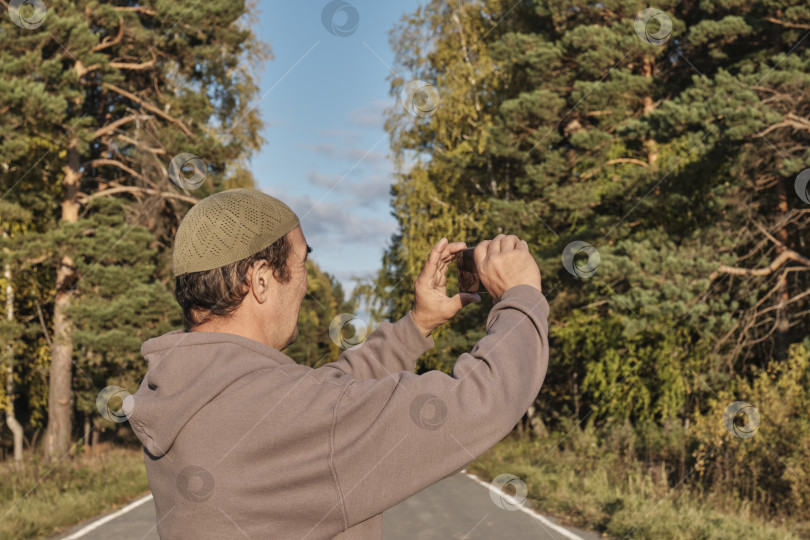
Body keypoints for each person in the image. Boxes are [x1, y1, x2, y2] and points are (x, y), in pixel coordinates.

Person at [123, 188, 550, 539]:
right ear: (260, 280)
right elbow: (481, 402)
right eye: (303, 261)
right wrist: (521, 295)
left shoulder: (177, 392)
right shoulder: (295, 414)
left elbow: (319, 395)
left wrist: (416, 325)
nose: (306, 283)